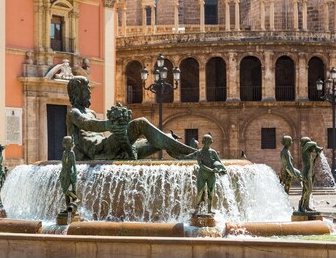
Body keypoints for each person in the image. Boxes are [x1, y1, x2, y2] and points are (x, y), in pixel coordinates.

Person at [66, 76, 197, 160]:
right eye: (86, 89)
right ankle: (191, 152)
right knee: (140, 123)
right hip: (99, 150)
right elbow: (87, 124)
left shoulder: (91, 112)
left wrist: (112, 127)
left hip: (108, 147)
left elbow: (92, 123)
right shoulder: (74, 113)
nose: (89, 92)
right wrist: (109, 125)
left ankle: (186, 156)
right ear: (77, 91)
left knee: (162, 139)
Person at [194, 133, 227, 214]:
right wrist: (211, 170)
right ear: (203, 141)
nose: (207, 142)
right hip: (202, 175)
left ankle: (209, 209)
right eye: (206, 140)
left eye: (209, 141)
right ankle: (197, 209)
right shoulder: (199, 152)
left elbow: (219, 162)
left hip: (211, 176)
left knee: (210, 192)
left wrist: (221, 168)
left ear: (211, 142)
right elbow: (201, 165)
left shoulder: (213, 152)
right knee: (200, 192)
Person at [298, 136, 322, 212]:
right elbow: (310, 144)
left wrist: (316, 155)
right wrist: (316, 146)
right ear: (307, 145)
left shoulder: (309, 153)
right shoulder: (304, 151)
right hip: (306, 174)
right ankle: (301, 206)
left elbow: (312, 164)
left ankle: (306, 206)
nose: (313, 148)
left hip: (310, 174)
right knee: (306, 190)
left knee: (309, 191)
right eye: (312, 146)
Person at [59, 136, 78, 211]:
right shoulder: (64, 153)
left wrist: (74, 174)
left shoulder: (71, 153)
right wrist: (61, 174)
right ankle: (68, 208)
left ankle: (75, 202)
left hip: (69, 173)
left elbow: (74, 165)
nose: (72, 143)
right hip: (63, 173)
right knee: (65, 191)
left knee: (69, 190)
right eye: (70, 142)